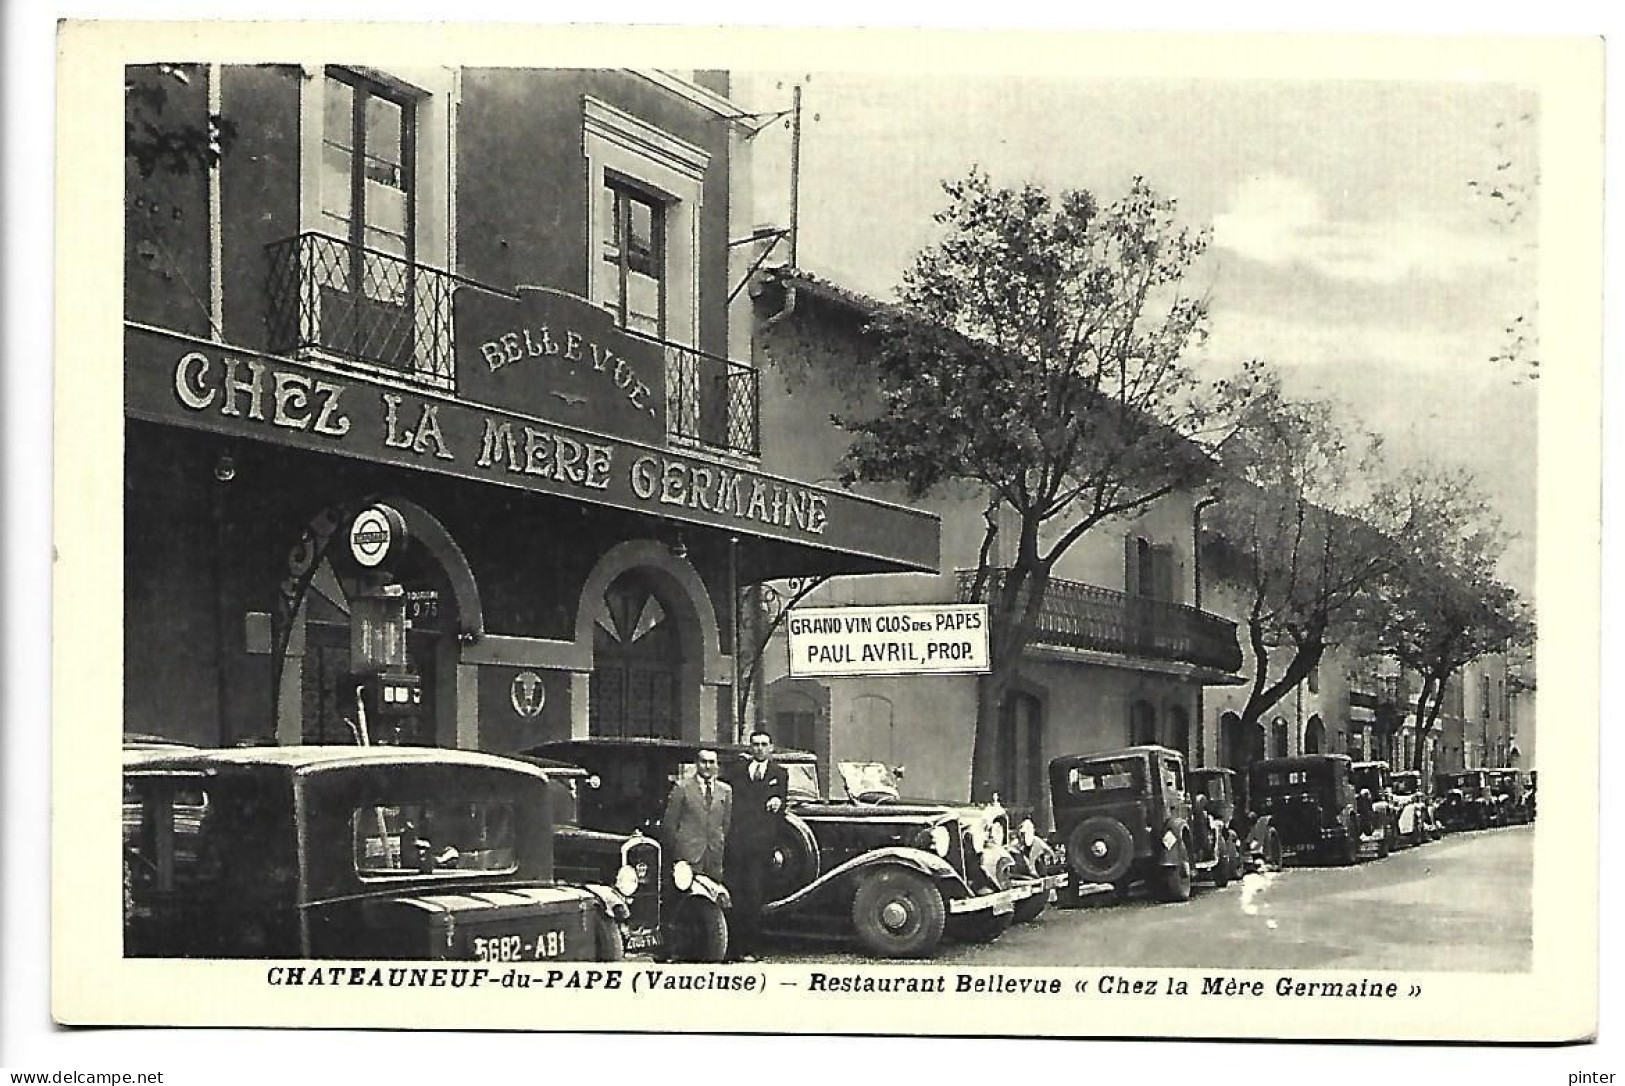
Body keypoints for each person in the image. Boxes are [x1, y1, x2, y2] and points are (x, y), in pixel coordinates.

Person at [726, 730, 788, 962]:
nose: (760, 748)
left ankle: (751, 948)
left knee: (754, 896)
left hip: (760, 847)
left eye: (764, 744)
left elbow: (781, 807)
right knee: (735, 894)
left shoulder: (779, 774)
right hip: (737, 844)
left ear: (771, 748)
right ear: (750, 747)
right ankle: (733, 948)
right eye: (755, 744)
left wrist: (778, 801)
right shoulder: (737, 772)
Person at [660, 749, 732, 882]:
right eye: (704, 762)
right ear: (697, 763)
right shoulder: (682, 788)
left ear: (717, 765)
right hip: (688, 855)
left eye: (711, 762)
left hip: (714, 856)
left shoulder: (725, 790)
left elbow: (726, 823)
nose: (707, 766)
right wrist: (680, 849)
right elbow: (670, 824)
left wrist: (718, 841)